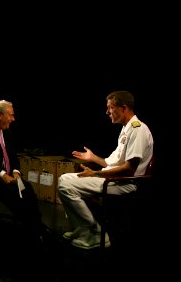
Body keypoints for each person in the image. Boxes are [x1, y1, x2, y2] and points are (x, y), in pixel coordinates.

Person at [57, 90, 154, 249]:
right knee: (64, 178)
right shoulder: (126, 130)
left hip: (126, 184)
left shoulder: (138, 130)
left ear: (123, 108)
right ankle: (82, 229)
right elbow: (111, 163)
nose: (107, 112)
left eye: (110, 107)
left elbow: (129, 169)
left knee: (66, 187)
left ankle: (94, 233)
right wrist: (93, 158)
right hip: (114, 179)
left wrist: (95, 173)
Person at [0, 99, 51, 245]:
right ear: (0, 115)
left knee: (27, 187)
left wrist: (15, 171)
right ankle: (30, 227)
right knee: (8, 189)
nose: (13, 119)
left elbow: (13, 156)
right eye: (11, 115)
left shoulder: (7, 132)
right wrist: (2, 174)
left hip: (6, 174)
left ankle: (37, 224)